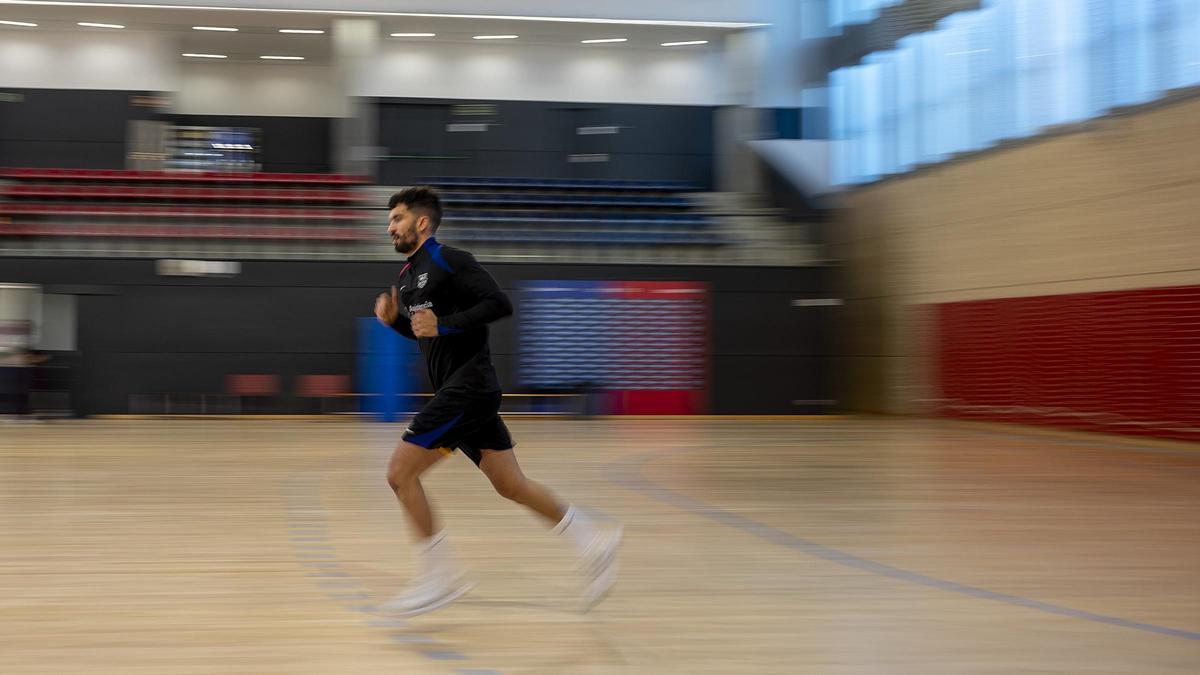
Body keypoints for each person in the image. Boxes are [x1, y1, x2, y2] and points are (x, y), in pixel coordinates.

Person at [373, 186, 621, 617]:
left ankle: (439, 579)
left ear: (422, 222)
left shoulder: (451, 259)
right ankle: (593, 541)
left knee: (399, 474)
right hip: (461, 393)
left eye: (397, 218)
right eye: (390, 220)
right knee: (510, 485)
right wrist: (396, 323)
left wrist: (445, 324)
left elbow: (498, 303)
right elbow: (424, 334)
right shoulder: (406, 279)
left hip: (470, 387)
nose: (389, 226)